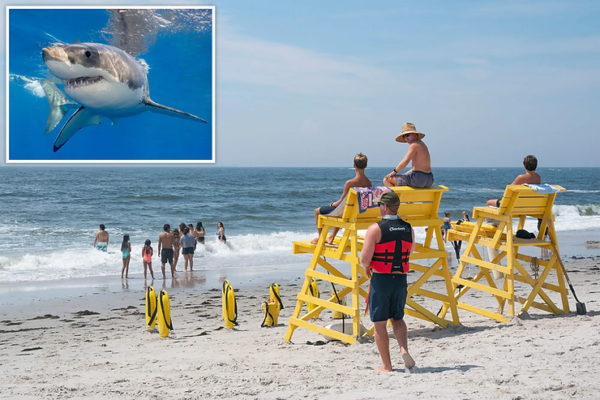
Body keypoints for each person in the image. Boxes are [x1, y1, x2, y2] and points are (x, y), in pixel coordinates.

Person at [360, 191, 415, 373]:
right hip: (400, 280)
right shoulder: (409, 228)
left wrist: (369, 266)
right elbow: (409, 251)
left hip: (381, 280)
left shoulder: (375, 229)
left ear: (384, 207)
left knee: (380, 323)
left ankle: (387, 366)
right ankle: (404, 350)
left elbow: (364, 260)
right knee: (397, 318)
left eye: (379, 205)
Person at [311, 153, 372, 245]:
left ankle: (321, 238)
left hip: (346, 213)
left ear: (354, 165)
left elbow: (340, 202)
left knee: (317, 211)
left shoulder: (350, 183)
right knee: (343, 210)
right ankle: (331, 237)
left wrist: (332, 204)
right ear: (366, 166)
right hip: (357, 214)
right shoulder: (368, 183)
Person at [383, 123, 434, 188]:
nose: (406, 138)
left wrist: (394, 172)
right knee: (403, 178)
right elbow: (418, 168)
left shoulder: (413, 145)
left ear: (415, 134)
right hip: (429, 179)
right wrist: (405, 174)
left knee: (386, 179)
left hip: (418, 179)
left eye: (407, 135)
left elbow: (405, 161)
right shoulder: (423, 145)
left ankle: (396, 198)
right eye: (404, 136)